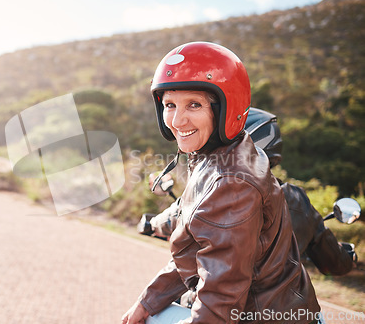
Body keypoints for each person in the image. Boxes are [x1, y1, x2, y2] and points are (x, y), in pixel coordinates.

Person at [122, 42, 321, 324]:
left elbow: (221, 297)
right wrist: (147, 300)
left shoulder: (231, 182)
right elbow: (196, 253)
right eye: (169, 105)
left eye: (194, 104)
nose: (177, 120)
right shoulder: (218, 155)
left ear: (228, 107)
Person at [140, 107, 355, 276]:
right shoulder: (298, 201)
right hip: (282, 310)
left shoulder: (210, 190)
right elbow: (335, 264)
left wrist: (151, 223)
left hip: (212, 302)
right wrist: (346, 257)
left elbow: (172, 218)